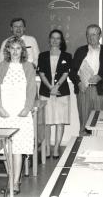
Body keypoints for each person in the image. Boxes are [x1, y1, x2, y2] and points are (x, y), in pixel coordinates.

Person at [0, 36, 36, 194]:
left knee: (18, 148)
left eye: (18, 48)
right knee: (7, 149)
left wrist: (27, 108)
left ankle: (15, 182)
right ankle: (11, 178)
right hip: (5, 112)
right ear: (8, 50)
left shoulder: (28, 67)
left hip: (21, 113)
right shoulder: (1, 67)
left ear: (23, 50)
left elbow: (32, 89)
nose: (15, 51)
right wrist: (0, 107)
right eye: (12, 48)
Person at [70, 24, 103, 135]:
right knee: (84, 124)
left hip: (99, 90)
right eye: (88, 35)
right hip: (83, 90)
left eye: (94, 34)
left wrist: (100, 76)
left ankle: (98, 149)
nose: (91, 37)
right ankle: (82, 149)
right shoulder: (80, 51)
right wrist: (78, 82)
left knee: (99, 122)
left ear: (99, 36)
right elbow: (72, 71)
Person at [38, 29, 72, 158]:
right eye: (53, 37)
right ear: (49, 39)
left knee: (60, 121)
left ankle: (57, 147)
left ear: (61, 40)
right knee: (46, 121)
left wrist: (56, 86)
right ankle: (46, 148)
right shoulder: (42, 55)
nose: (55, 40)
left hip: (61, 92)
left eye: (58, 38)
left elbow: (65, 73)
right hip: (46, 92)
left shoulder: (67, 56)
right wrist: (50, 87)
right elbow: (41, 73)